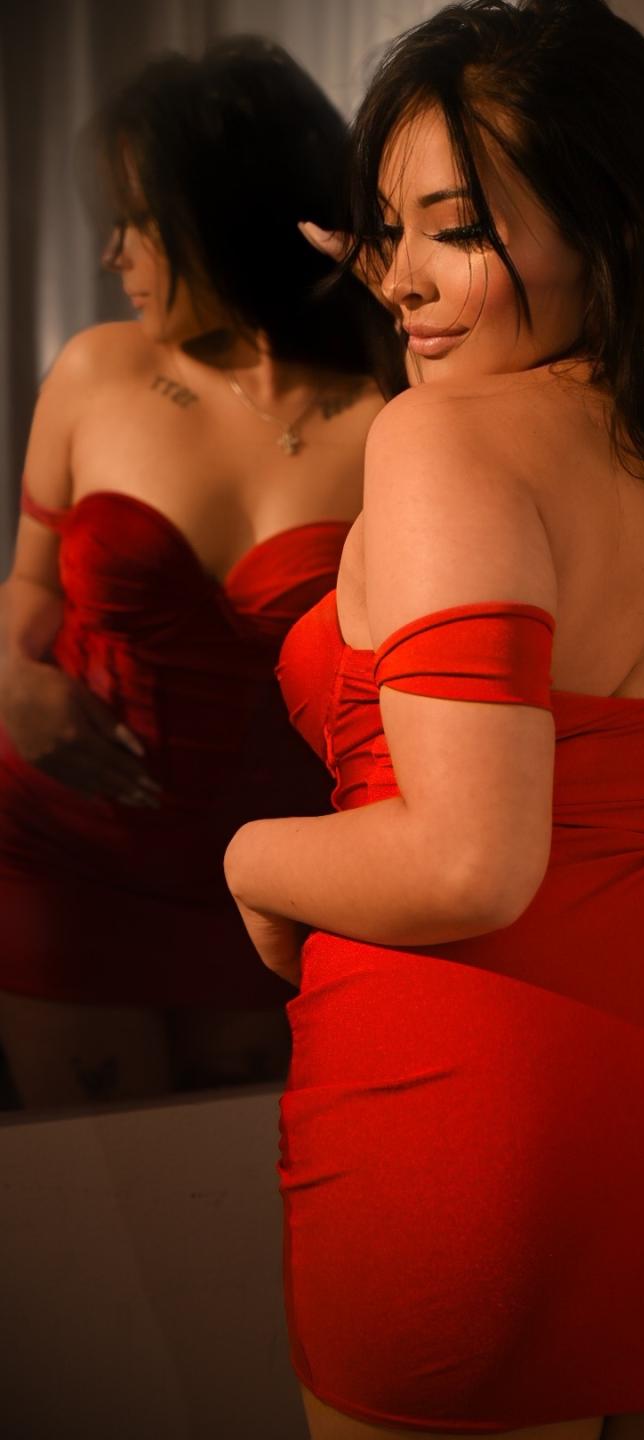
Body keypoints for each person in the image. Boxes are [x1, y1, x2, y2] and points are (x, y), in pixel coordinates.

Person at [224, 2, 644, 1436]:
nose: (401, 278)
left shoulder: (446, 440)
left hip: (467, 1114)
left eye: (456, 228)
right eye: (388, 230)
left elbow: (468, 863)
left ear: (611, 224)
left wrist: (250, 863)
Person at [0, 37, 395, 1108]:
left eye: (139, 223)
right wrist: (14, 679)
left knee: (233, 1194)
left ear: (229, 217)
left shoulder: (396, 411)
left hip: (278, 882)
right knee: (91, 1183)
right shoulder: (96, 372)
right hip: (65, 858)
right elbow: (29, 588)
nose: (111, 255)